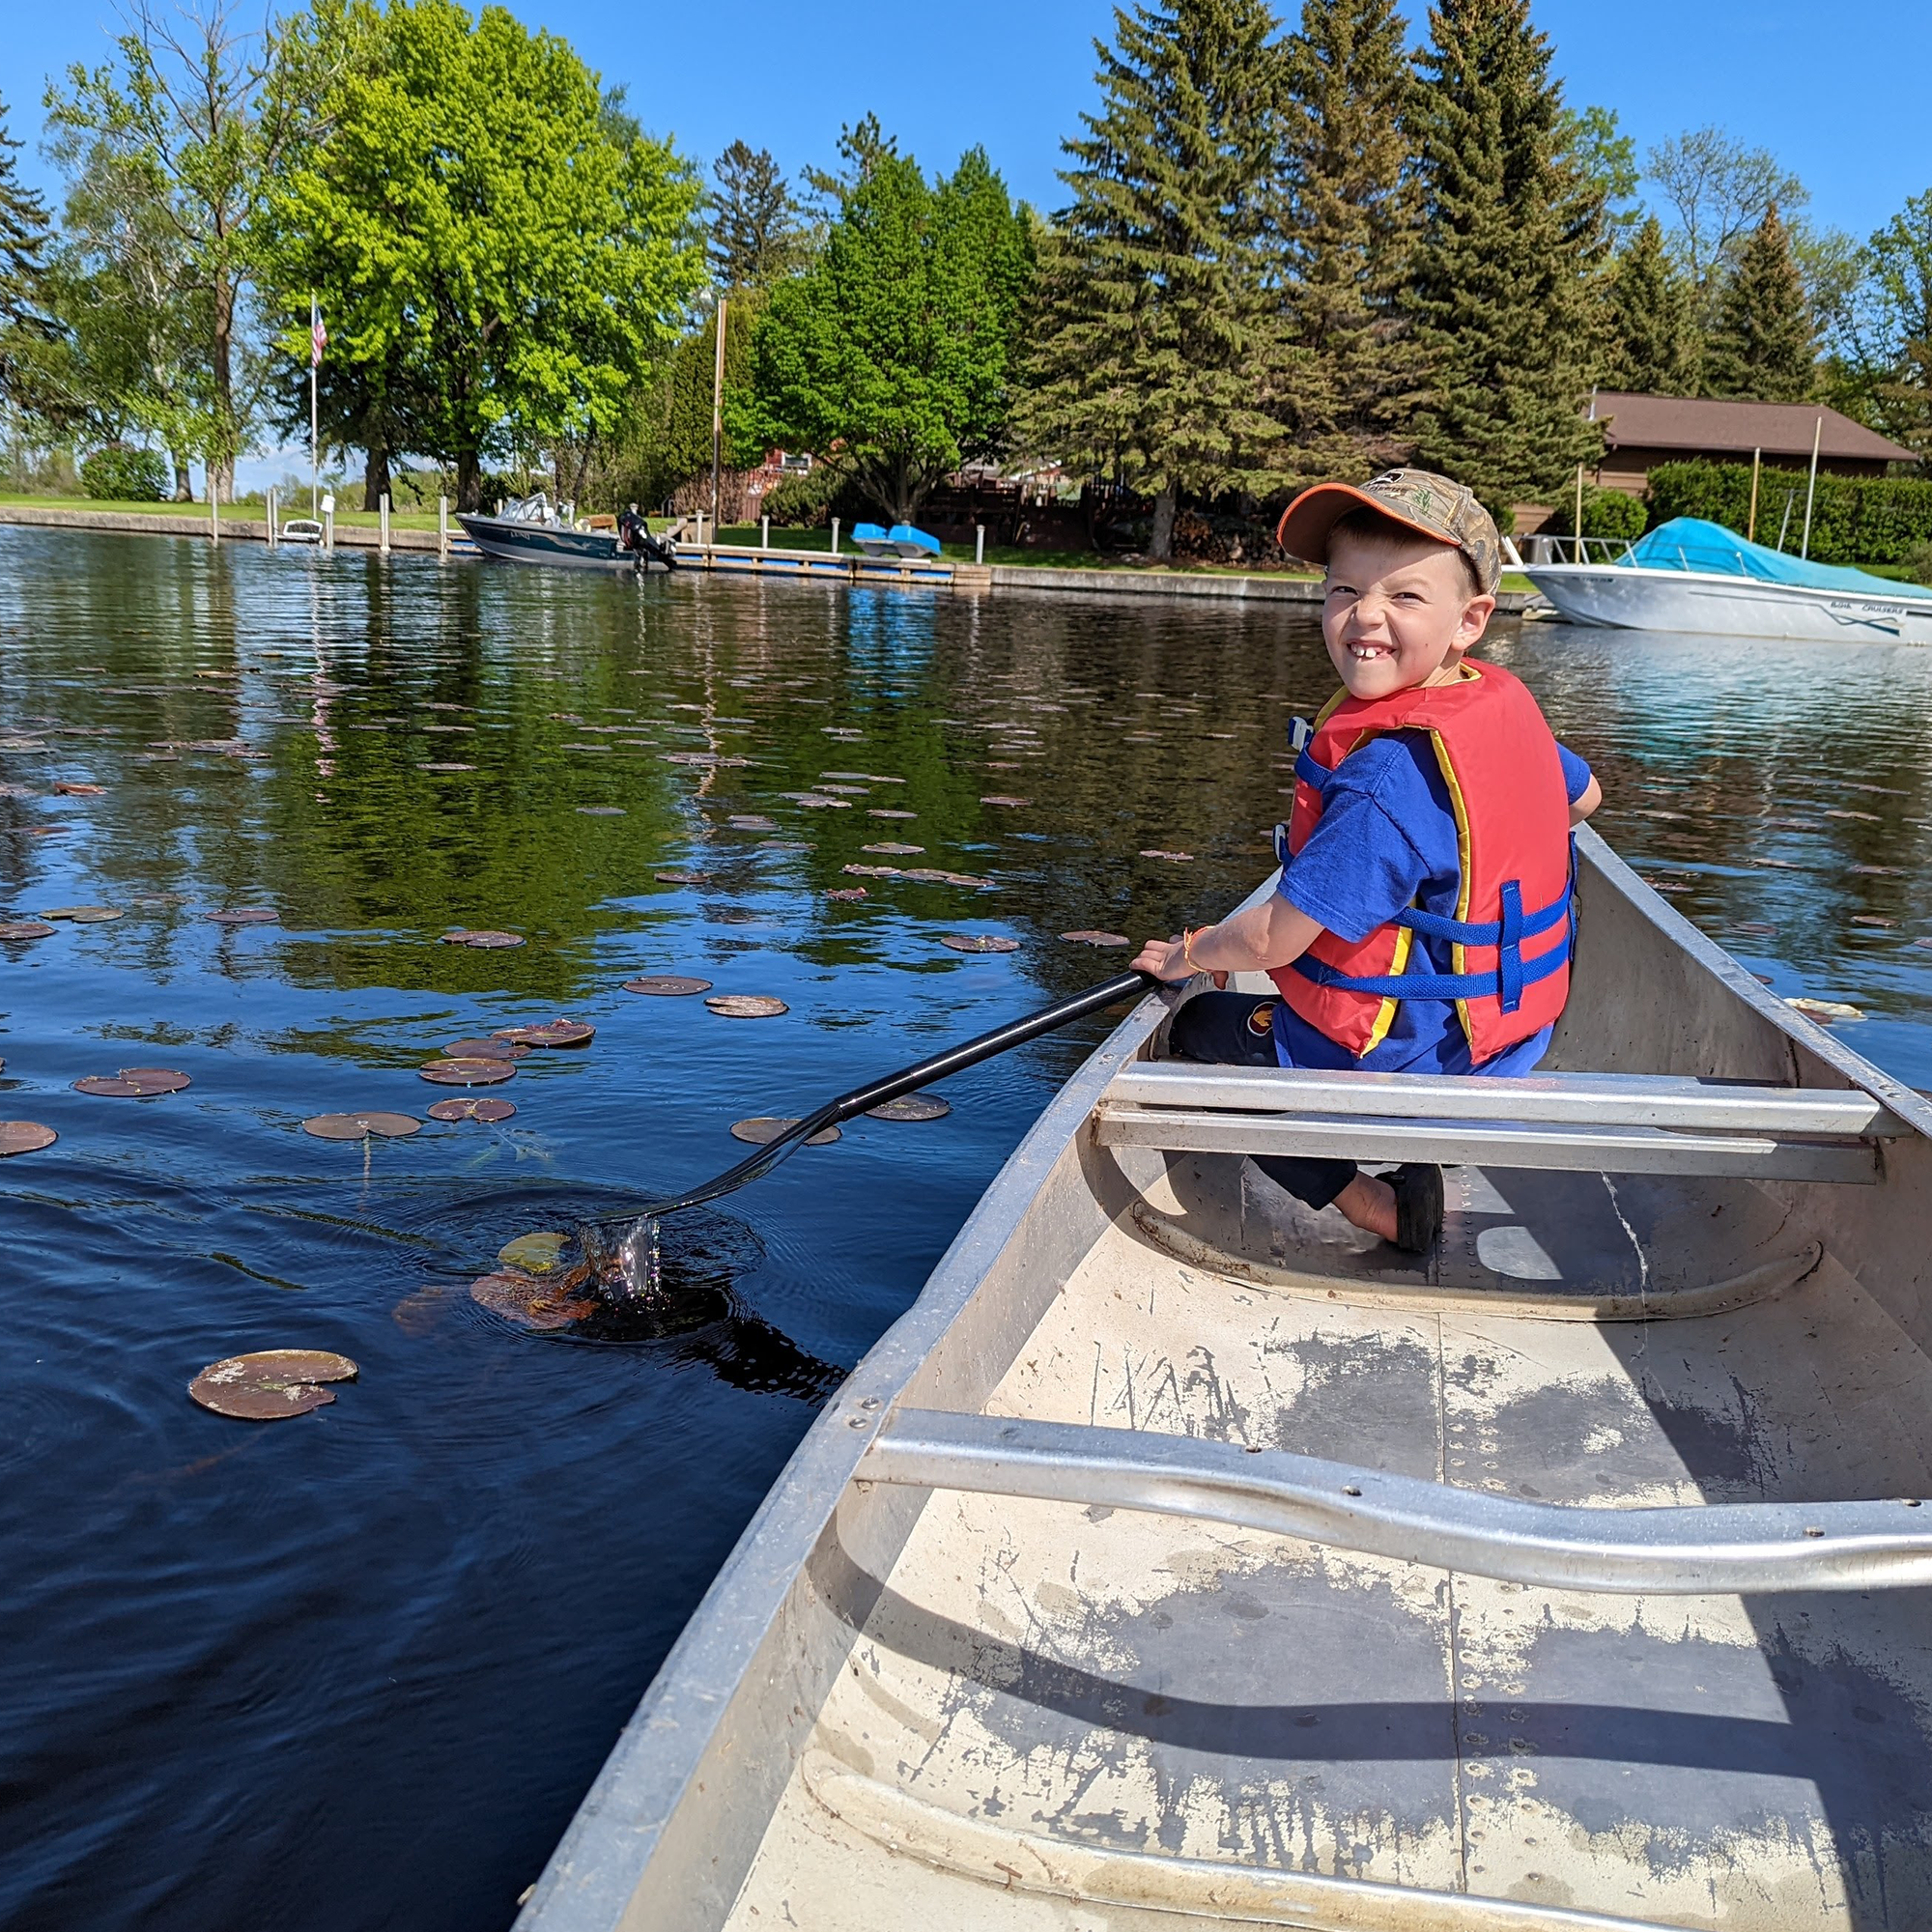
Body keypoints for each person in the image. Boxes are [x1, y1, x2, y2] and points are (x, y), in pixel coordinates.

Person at [1132, 469, 1602, 1254]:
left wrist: (1190, 953)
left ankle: (1371, 1205)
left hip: (1409, 1069)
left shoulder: (1385, 777)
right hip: (1513, 1042)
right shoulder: (1492, 703)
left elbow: (1269, 943)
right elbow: (1585, 801)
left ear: (1470, 619)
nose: (1365, 617)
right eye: (1344, 589)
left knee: (1202, 1031)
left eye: (1405, 597)